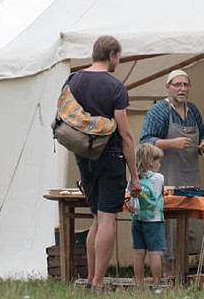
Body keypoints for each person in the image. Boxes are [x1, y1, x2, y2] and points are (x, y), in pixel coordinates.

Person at [67, 35, 140, 290]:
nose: (118, 61)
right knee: (108, 218)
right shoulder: (115, 87)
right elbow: (126, 135)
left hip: (84, 156)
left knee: (97, 217)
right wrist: (135, 175)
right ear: (111, 55)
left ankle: (89, 277)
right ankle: (98, 281)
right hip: (110, 157)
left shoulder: (74, 80)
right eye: (118, 57)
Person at [140, 69, 204, 278]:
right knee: (168, 224)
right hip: (167, 176)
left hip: (190, 176)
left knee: (190, 222)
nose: (182, 89)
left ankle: (183, 272)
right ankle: (168, 274)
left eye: (186, 85)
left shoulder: (193, 111)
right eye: (178, 85)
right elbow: (145, 141)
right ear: (168, 87)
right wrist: (172, 143)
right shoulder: (158, 111)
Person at [129, 143, 166, 288]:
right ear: (151, 162)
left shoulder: (134, 179)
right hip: (154, 221)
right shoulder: (158, 178)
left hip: (137, 219)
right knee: (155, 253)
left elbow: (129, 193)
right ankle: (157, 283)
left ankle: (139, 282)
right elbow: (161, 193)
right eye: (158, 160)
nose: (160, 163)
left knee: (139, 253)